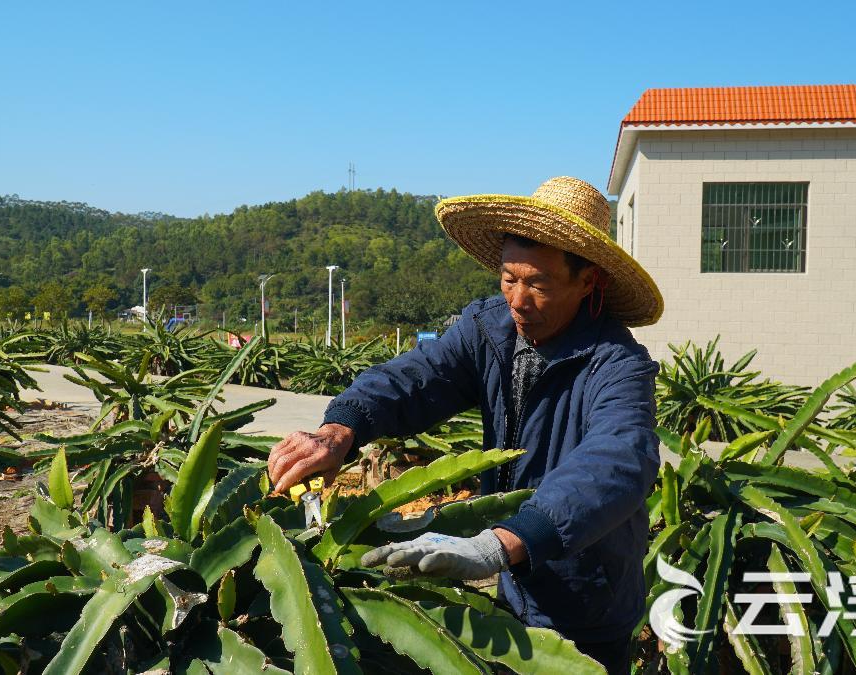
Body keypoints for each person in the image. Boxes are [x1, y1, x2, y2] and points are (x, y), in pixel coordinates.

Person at [267, 176, 664, 672]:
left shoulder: (617, 364)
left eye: (538, 284)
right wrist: (340, 429)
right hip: (510, 585)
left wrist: (503, 542)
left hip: (586, 598)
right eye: (508, 278)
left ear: (587, 282)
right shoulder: (489, 329)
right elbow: (415, 377)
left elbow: (619, 460)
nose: (518, 300)